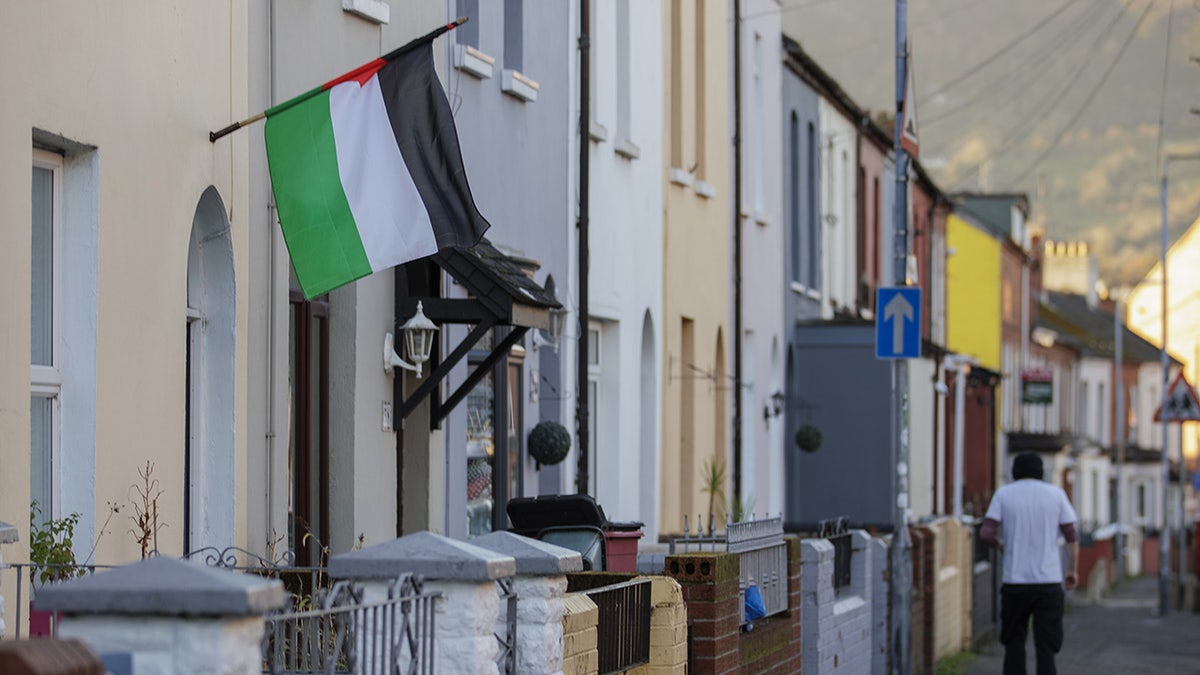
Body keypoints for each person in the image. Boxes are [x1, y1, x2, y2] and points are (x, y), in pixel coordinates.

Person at [980, 452, 1079, 675]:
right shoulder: (1056, 494)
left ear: (1015, 471)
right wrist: (1072, 569)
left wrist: (1001, 545)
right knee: (1046, 646)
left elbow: (986, 533)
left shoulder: (1004, 494)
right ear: (1040, 471)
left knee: (1014, 641)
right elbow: (1071, 534)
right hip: (1049, 581)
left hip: (1015, 581)